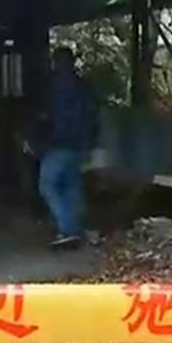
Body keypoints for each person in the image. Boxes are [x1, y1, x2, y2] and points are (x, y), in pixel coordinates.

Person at [37, 47, 97, 248]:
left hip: (58, 143)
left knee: (47, 184)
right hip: (80, 144)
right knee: (72, 187)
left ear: (56, 62)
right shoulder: (84, 86)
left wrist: (39, 138)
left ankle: (67, 228)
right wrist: (90, 142)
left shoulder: (53, 86)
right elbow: (92, 115)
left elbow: (48, 116)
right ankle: (74, 228)